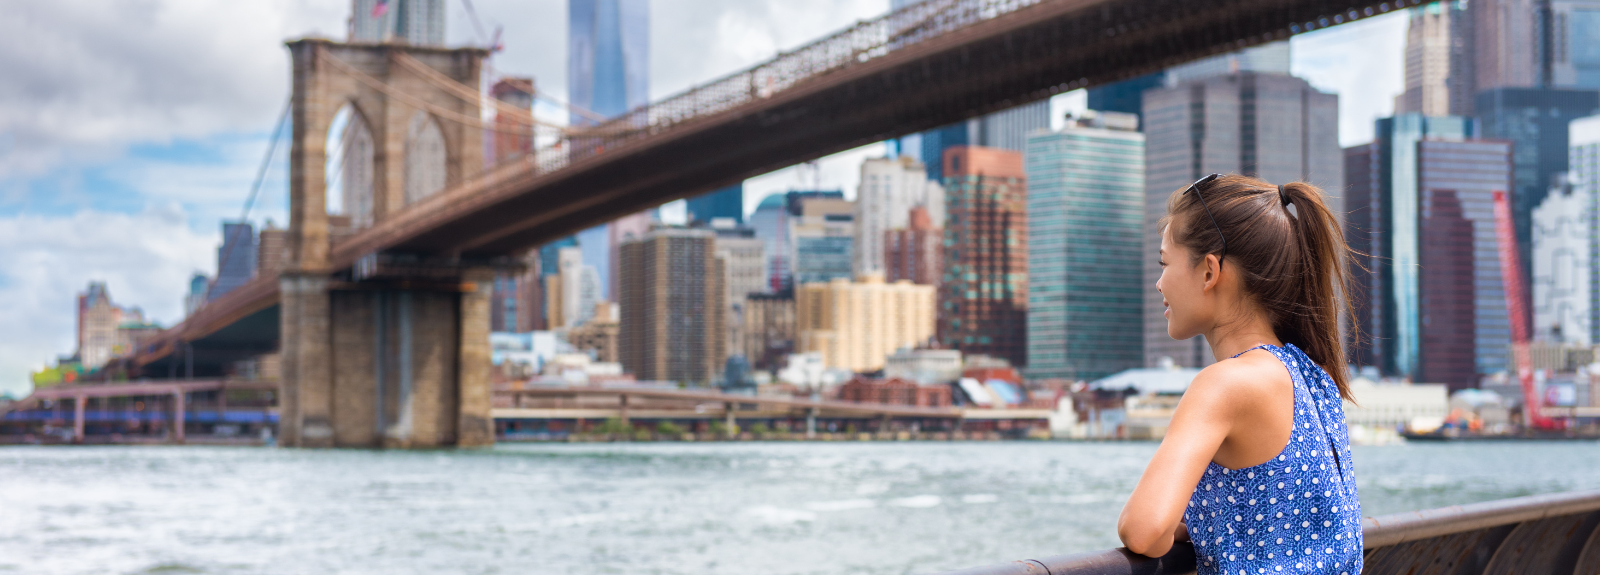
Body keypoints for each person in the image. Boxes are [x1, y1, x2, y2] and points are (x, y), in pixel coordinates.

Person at [1116, 174, 1363, 575]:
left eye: (1164, 263)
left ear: (1209, 272)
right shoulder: (1313, 377)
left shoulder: (1226, 384)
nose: (1159, 283)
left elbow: (1144, 531)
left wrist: (1173, 530)